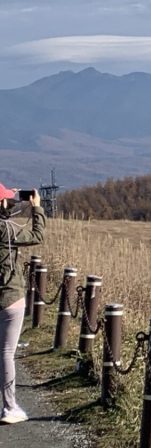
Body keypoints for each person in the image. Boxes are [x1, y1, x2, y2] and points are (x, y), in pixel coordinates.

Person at [0, 182, 45, 426]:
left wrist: (11, 198)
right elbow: (37, 236)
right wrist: (35, 208)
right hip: (9, 296)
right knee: (6, 353)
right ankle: (9, 407)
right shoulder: (4, 229)